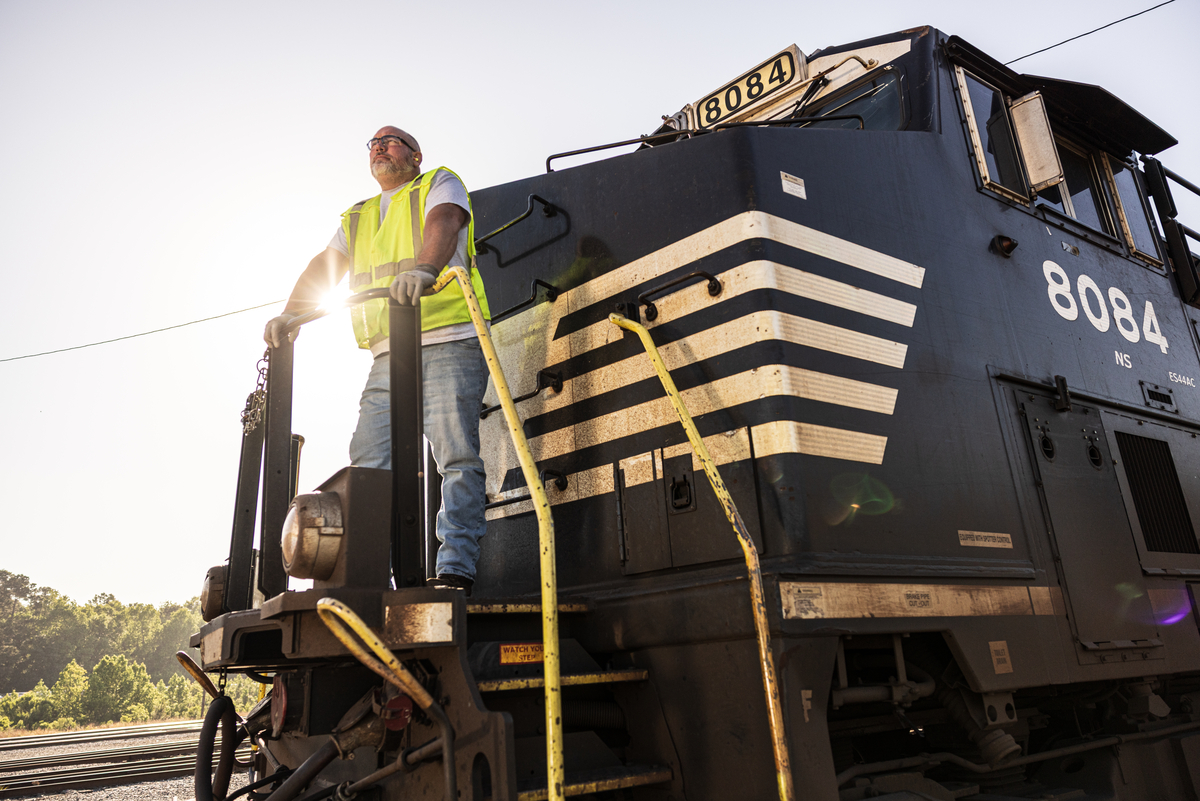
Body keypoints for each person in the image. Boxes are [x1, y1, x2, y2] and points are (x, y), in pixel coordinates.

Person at [264, 126, 491, 594]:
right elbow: (325, 266)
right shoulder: (358, 217)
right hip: (390, 353)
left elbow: (445, 221)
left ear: (416, 155)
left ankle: (454, 570)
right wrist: (292, 313)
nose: (379, 147)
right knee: (368, 462)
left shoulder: (438, 183)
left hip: (450, 338)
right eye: (373, 143)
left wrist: (425, 269)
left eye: (390, 140)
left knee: (455, 456)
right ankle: (370, 576)